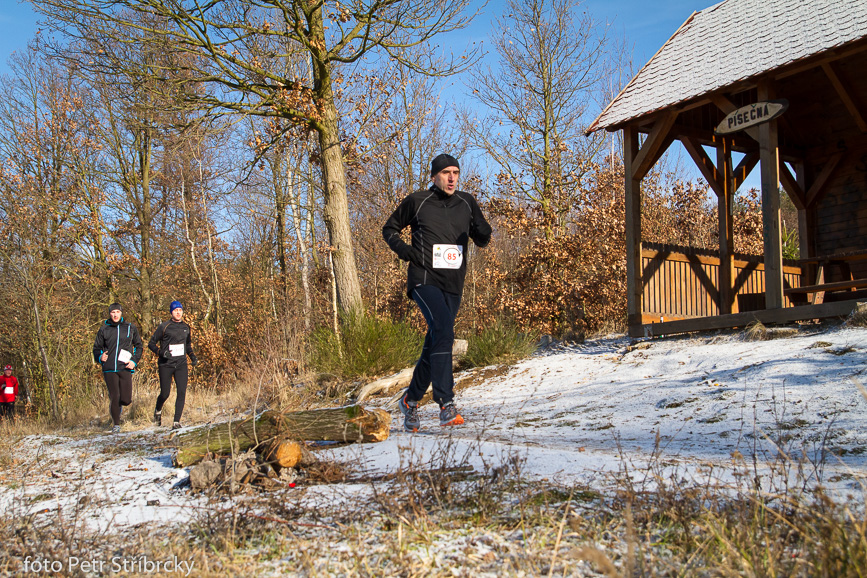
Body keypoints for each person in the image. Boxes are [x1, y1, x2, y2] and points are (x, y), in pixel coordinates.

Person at [383, 153, 492, 431]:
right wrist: (405, 252)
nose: (452, 177)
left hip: (453, 283)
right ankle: (446, 403)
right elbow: (390, 229)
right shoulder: (418, 201)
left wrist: (483, 230)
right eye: (446, 172)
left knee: (437, 340)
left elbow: (482, 238)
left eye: (455, 171)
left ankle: (410, 399)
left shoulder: (467, 202)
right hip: (424, 278)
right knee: (443, 330)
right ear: (434, 176)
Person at [92, 303, 143, 433]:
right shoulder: (104, 330)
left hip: (125, 367)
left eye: (117, 312)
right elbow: (96, 348)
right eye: (113, 312)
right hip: (109, 368)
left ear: (121, 313)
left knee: (125, 399)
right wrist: (100, 357)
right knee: (114, 396)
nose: (115, 315)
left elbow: (139, 346)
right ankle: (116, 424)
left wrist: (134, 361)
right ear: (109, 314)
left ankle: (119, 407)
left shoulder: (130, 328)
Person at [149, 301, 197, 430]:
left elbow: (187, 345)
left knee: (182, 391)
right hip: (166, 364)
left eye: (180, 310)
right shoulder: (164, 327)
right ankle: (158, 410)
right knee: (165, 393)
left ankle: (176, 422)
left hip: (181, 364)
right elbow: (151, 344)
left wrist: (192, 356)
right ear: (171, 312)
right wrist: (161, 352)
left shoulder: (186, 327)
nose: (178, 312)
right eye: (175, 310)